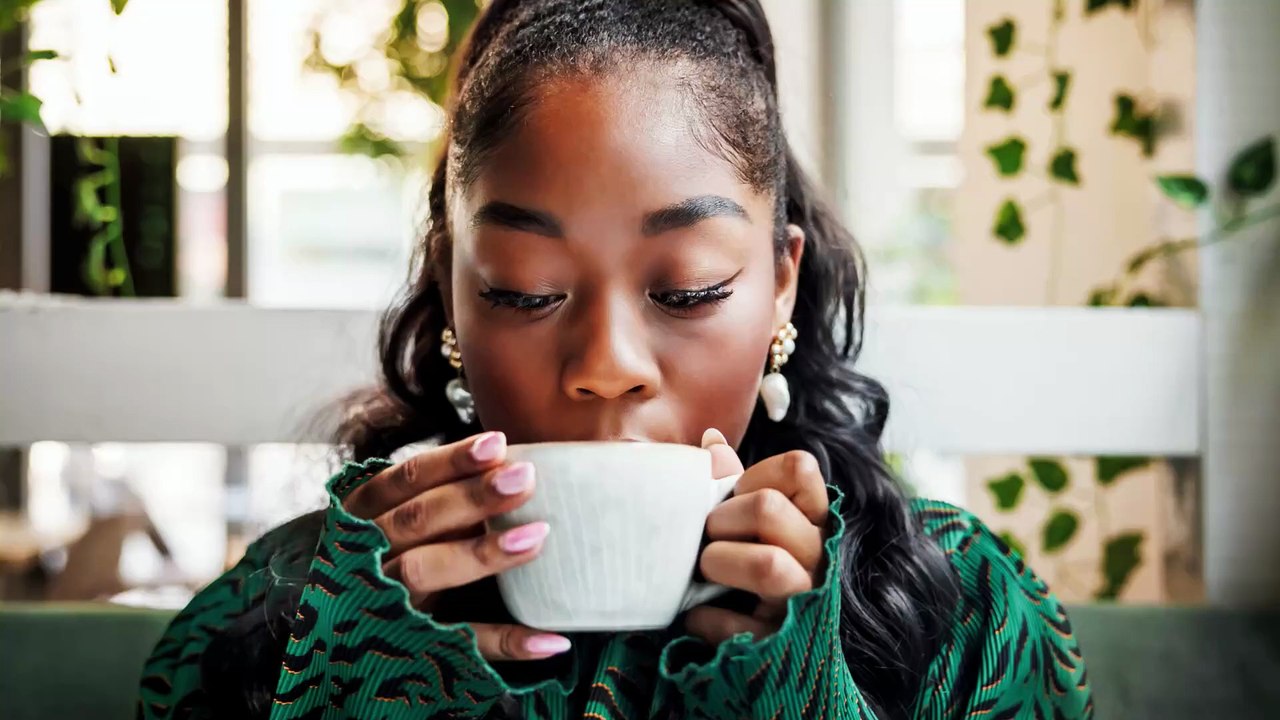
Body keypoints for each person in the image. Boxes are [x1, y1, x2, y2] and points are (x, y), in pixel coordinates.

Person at [138, 1, 1092, 718]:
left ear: (781, 283)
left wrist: (797, 690)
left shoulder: (960, 610)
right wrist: (355, 679)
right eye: (523, 288)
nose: (606, 364)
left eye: (686, 290)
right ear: (453, 293)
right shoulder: (290, 615)